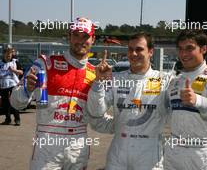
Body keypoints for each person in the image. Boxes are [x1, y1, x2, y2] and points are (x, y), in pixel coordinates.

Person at [10, 17, 114, 170]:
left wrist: (126, 123)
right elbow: (15, 103)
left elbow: (97, 116)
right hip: (47, 142)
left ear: (93, 39)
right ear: (69, 37)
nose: (80, 40)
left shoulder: (96, 73)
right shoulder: (45, 63)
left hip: (78, 144)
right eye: (76, 35)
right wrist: (27, 89)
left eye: (85, 36)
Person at [87, 32, 173, 170]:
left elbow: (187, 87)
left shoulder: (165, 80)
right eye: (130, 49)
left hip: (149, 154)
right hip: (118, 152)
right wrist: (98, 82)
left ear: (151, 52)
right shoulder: (115, 78)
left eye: (139, 49)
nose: (133, 54)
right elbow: (95, 111)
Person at [165, 29, 207, 170]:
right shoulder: (174, 81)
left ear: (203, 49)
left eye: (190, 48)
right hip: (173, 151)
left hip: (200, 153)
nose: (183, 54)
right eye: (181, 49)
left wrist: (198, 101)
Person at [0, 47, 23, 125]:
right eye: (7, 54)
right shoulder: (0, 63)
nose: (8, 56)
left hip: (13, 84)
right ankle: (8, 119)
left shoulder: (15, 62)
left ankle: (17, 119)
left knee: (14, 102)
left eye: (9, 54)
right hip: (3, 85)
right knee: (5, 103)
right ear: (4, 54)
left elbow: (21, 72)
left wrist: (14, 70)